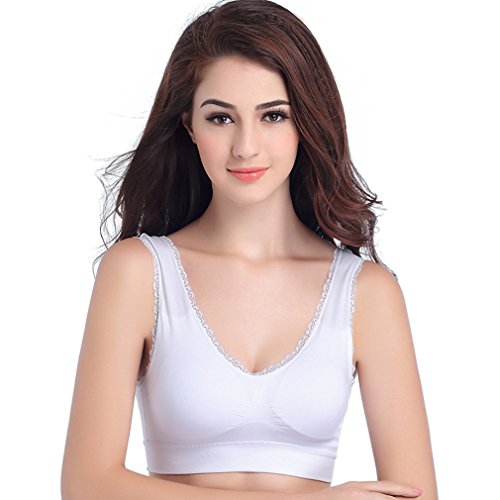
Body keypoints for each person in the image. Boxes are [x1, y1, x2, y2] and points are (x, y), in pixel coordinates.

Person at [61, 0, 438, 498]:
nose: (246, 147)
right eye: (221, 118)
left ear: (307, 124)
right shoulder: (138, 272)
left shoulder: (367, 291)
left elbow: (415, 494)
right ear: (189, 127)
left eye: (273, 116)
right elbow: (86, 485)